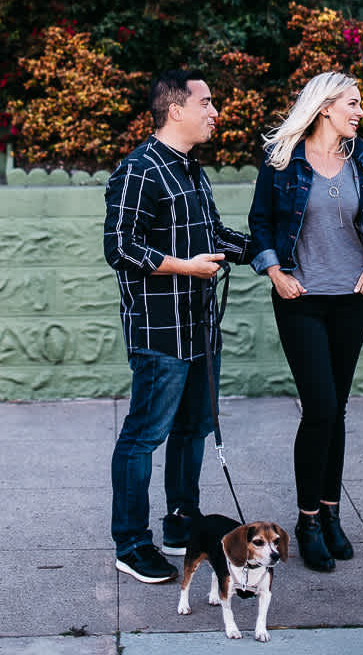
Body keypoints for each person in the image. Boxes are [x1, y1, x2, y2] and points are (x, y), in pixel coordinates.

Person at [105, 69, 255, 584]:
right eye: (208, 102)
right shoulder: (139, 169)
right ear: (177, 110)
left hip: (200, 330)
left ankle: (180, 523)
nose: (216, 111)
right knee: (143, 437)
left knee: (193, 431)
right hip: (159, 332)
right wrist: (183, 265)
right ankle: (130, 543)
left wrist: (270, 253)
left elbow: (213, 235)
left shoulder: (191, 169)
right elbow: (119, 246)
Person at [248, 71, 363, 573]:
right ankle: (306, 522)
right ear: (325, 106)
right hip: (301, 299)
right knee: (320, 407)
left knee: (338, 409)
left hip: (352, 298)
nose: (359, 111)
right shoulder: (283, 161)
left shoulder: (359, 159)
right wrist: (275, 272)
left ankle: (330, 513)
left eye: (360, 104)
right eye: (352, 102)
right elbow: (259, 222)